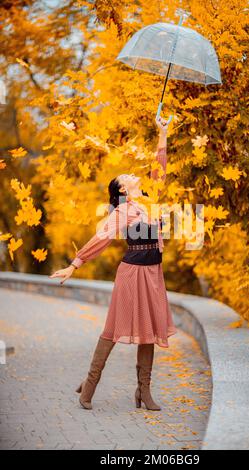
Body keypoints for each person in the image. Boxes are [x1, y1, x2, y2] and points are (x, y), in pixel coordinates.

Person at [49, 116, 177, 411]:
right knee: (114, 328)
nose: (133, 175)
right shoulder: (121, 211)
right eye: (127, 176)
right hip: (131, 274)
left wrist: (163, 132)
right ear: (121, 190)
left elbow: (160, 167)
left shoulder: (151, 199)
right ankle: (90, 385)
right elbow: (101, 239)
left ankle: (143, 392)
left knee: (150, 332)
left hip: (154, 273)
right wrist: (75, 263)